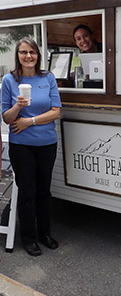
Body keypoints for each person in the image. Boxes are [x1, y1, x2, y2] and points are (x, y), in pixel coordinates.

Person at [1, 38, 62, 256]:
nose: (29, 56)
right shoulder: (9, 80)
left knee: (44, 191)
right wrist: (18, 106)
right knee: (27, 192)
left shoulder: (48, 78)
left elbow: (56, 111)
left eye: (32, 52)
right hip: (22, 146)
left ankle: (45, 234)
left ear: (38, 55)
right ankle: (29, 238)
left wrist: (30, 121)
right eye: (23, 52)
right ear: (17, 56)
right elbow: (7, 118)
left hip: (46, 143)